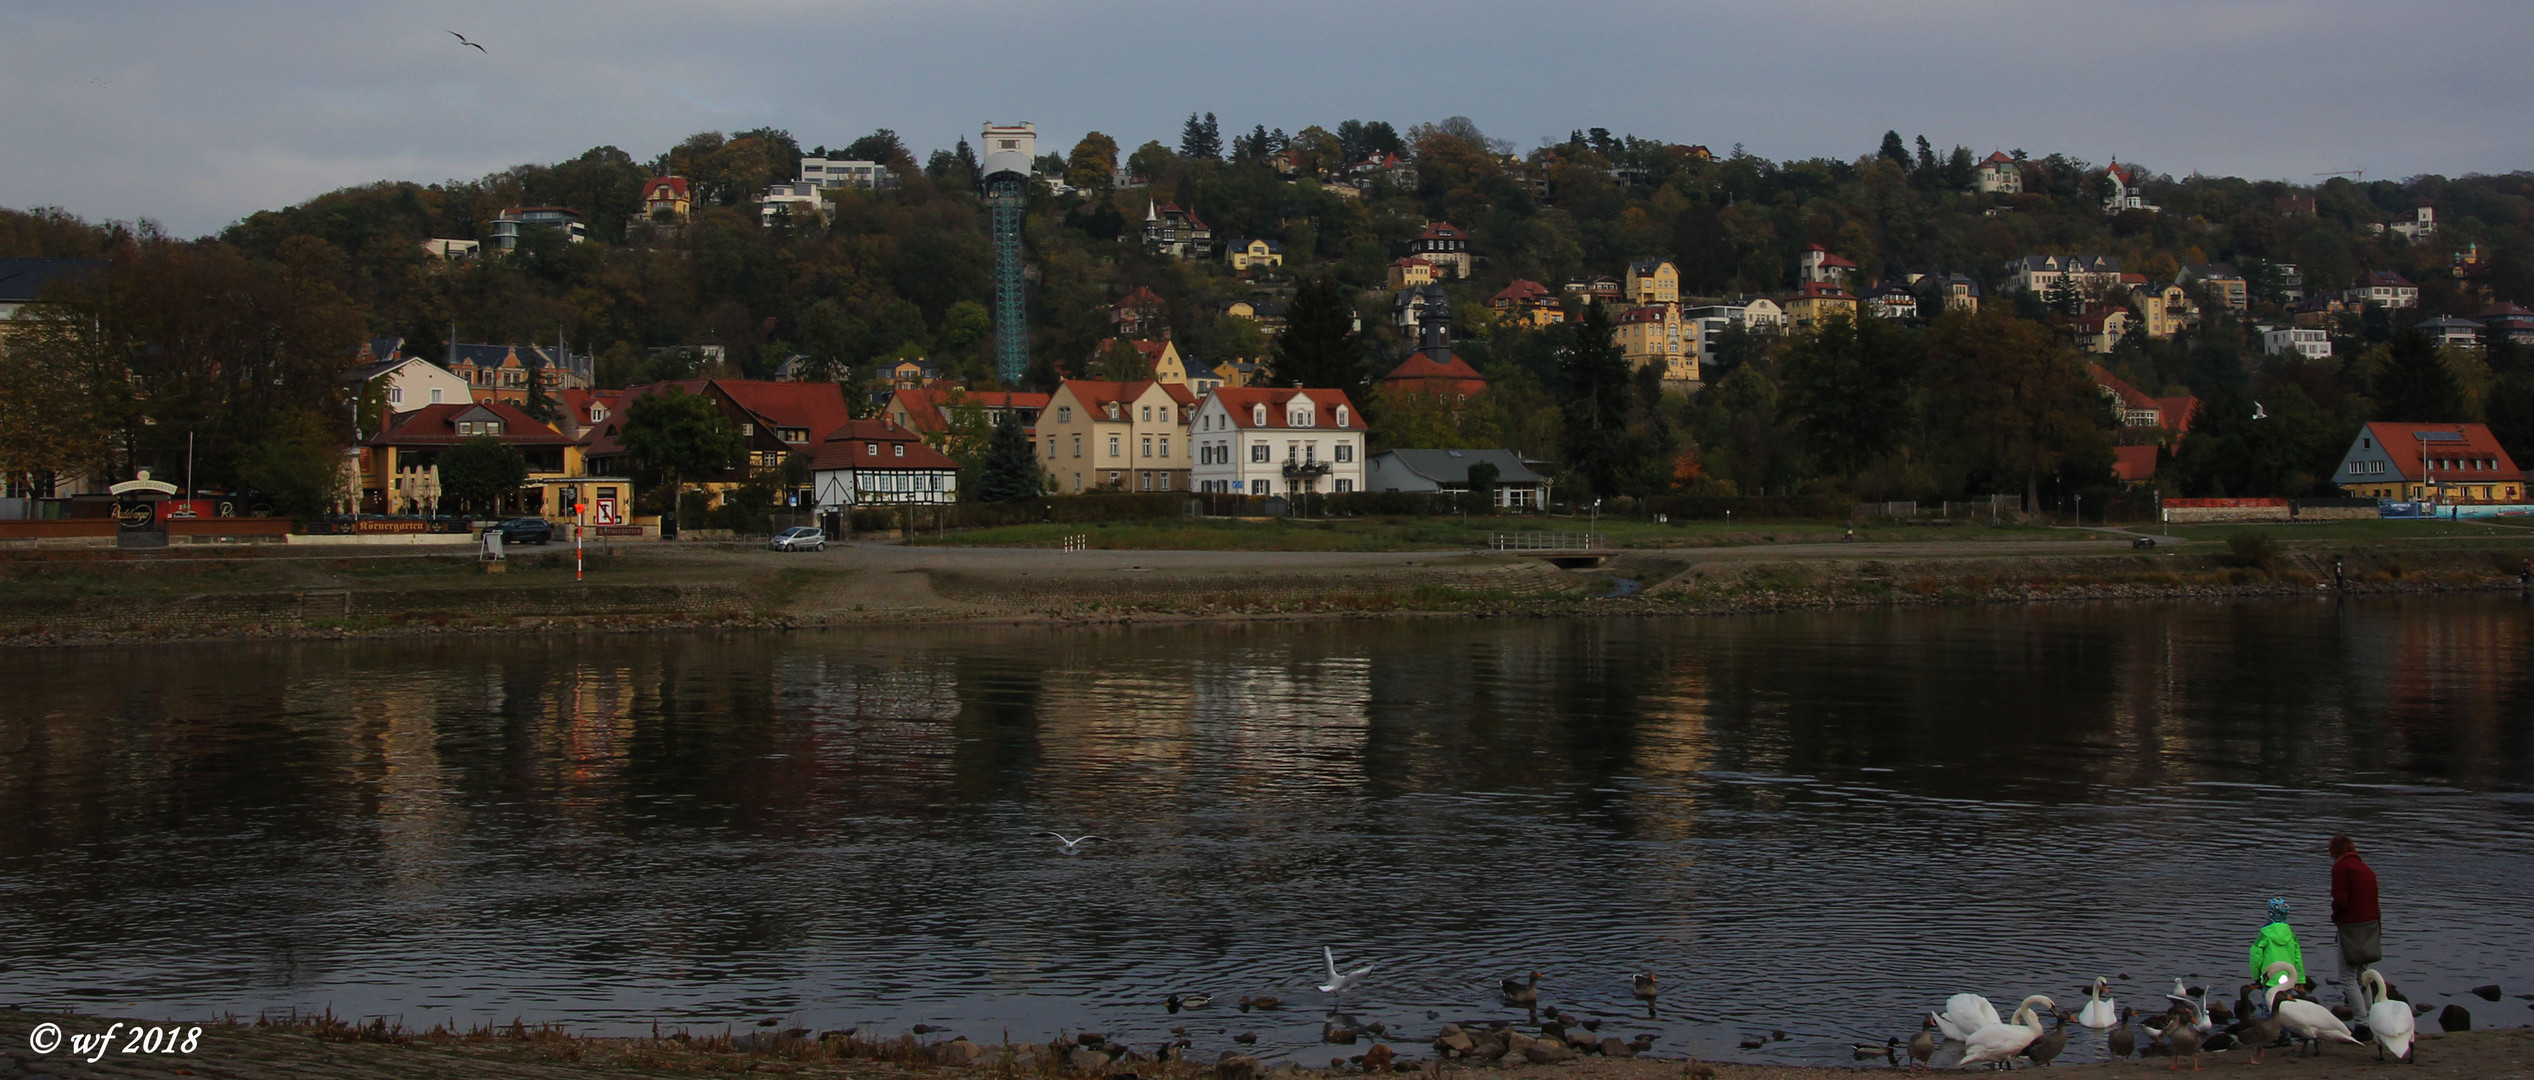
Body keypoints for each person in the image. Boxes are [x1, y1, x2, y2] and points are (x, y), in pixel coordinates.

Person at [2331, 835, 2383, 1012]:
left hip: (2350, 927)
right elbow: (2375, 902)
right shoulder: (2366, 870)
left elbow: (2341, 900)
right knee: (2363, 976)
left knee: (2347, 978)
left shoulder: (2341, 868)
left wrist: (2335, 917)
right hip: (2369, 926)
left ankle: (2361, 1023)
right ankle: (2371, 1017)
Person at [2248, 897, 2305, 990]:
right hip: (2288, 979)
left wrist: (2256, 977)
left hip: (2269, 979)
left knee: (2268, 1002)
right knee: (2285, 1003)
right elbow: (2298, 959)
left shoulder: (2264, 934)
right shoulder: (2291, 936)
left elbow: (2256, 956)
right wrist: (2300, 980)